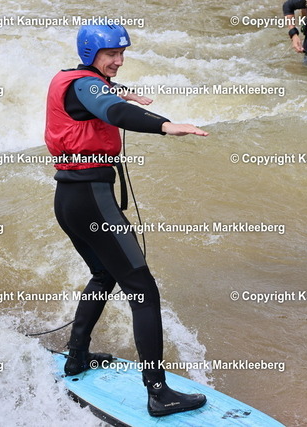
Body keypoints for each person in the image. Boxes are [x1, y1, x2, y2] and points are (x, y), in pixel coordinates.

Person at [44, 24, 208, 417]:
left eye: (122, 53)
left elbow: (100, 94)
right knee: (142, 289)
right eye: (111, 55)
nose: (118, 60)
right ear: (90, 54)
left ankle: (77, 357)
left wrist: (120, 89)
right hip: (91, 199)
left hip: (68, 198)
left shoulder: (73, 79)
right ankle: (158, 393)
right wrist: (166, 125)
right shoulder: (87, 85)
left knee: (104, 274)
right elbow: (112, 110)